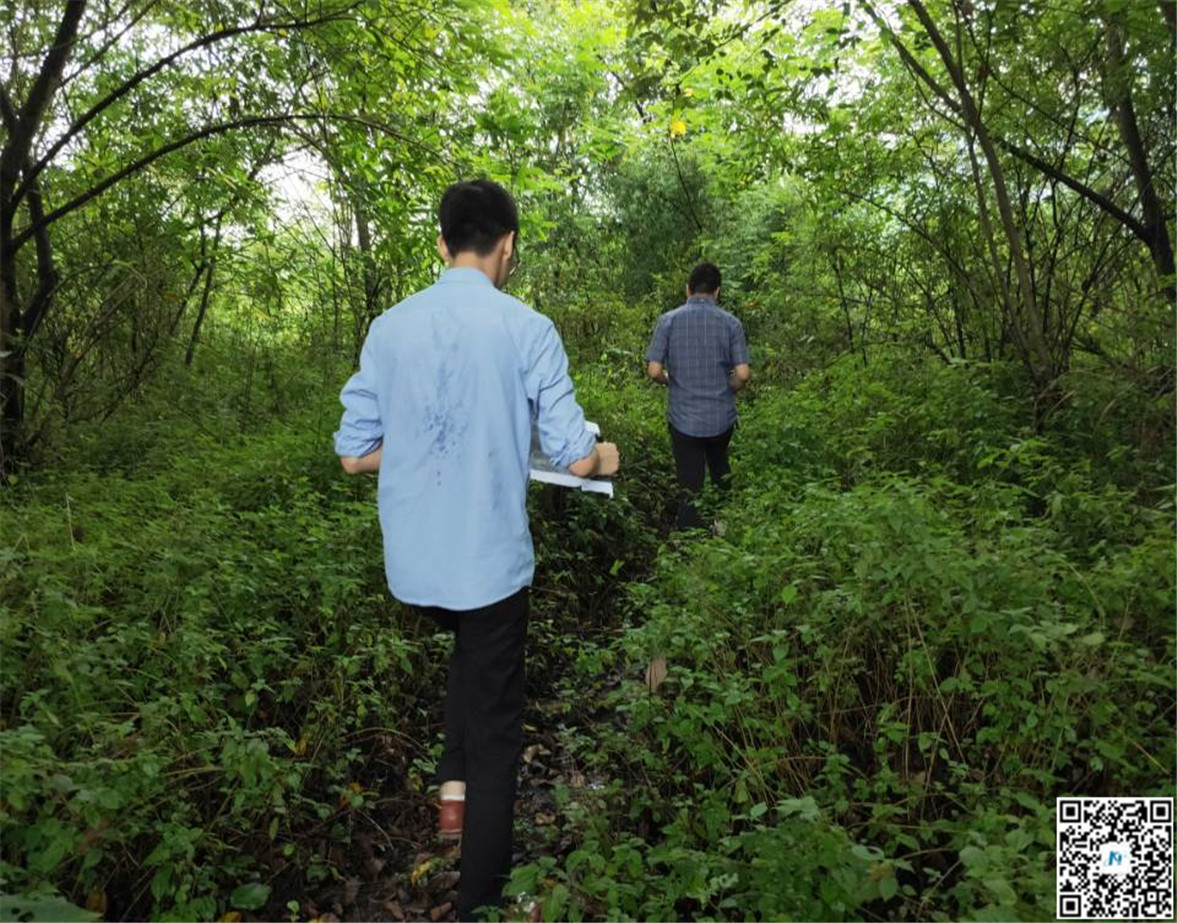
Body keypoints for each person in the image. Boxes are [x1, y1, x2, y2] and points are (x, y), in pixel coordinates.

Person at [333, 178, 619, 919]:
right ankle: (478, 904)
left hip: (412, 570)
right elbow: (573, 455)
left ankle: (451, 786)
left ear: (442, 244)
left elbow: (354, 455)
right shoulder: (527, 328)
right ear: (508, 246)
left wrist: (421, 444)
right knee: (498, 731)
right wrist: (605, 456)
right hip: (488, 568)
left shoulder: (389, 327)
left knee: (467, 642)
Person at [645, 262, 750, 530]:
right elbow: (743, 373)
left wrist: (671, 380)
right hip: (721, 419)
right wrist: (730, 388)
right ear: (717, 291)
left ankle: (690, 536)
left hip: (684, 421)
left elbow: (654, 370)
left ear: (688, 289)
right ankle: (723, 525)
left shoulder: (668, 321)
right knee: (720, 469)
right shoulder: (731, 323)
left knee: (689, 483)